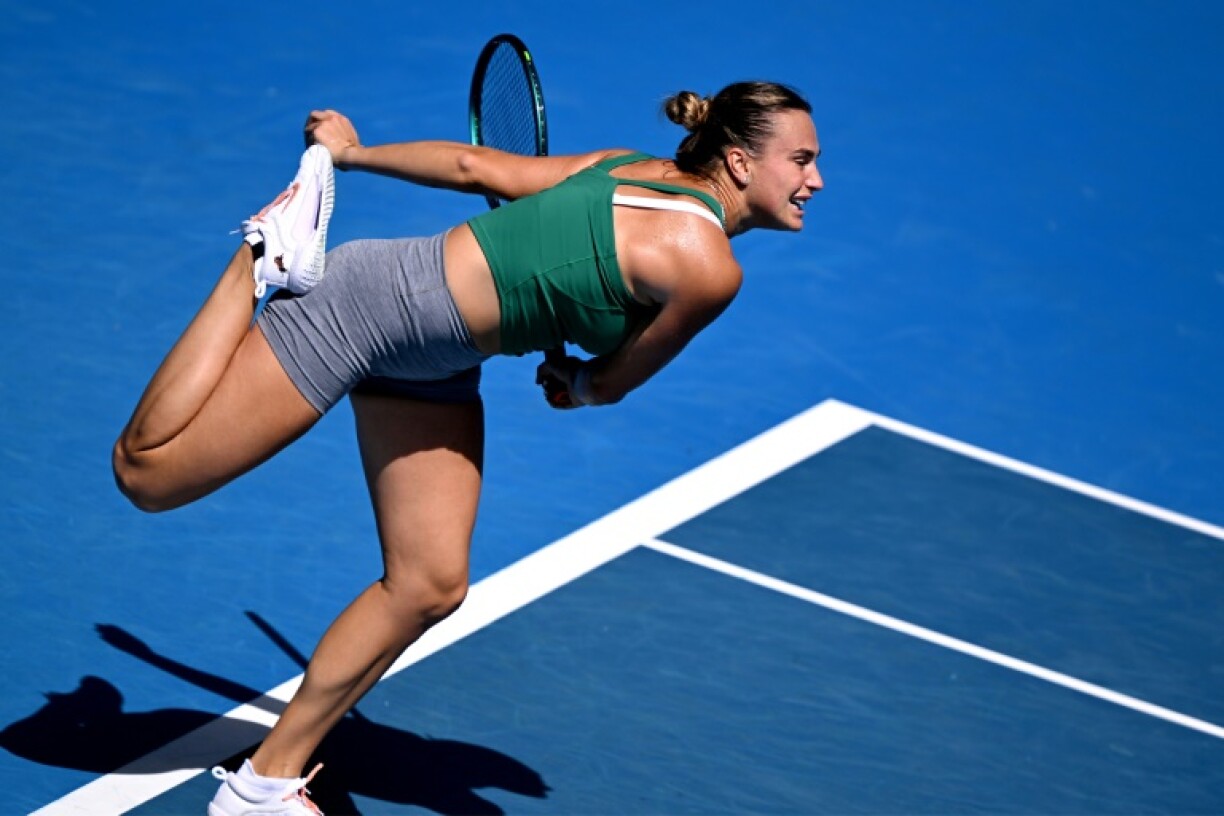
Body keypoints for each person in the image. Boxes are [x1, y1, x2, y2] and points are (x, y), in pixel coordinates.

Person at [112, 80, 822, 814]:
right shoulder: (708, 269)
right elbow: (610, 384)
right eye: (800, 160)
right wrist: (574, 384)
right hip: (372, 309)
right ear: (739, 162)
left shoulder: (624, 164)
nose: (815, 179)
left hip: (435, 358)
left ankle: (263, 784)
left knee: (429, 583)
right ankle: (263, 255)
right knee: (148, 475)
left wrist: (351, 154)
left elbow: (471, 169)